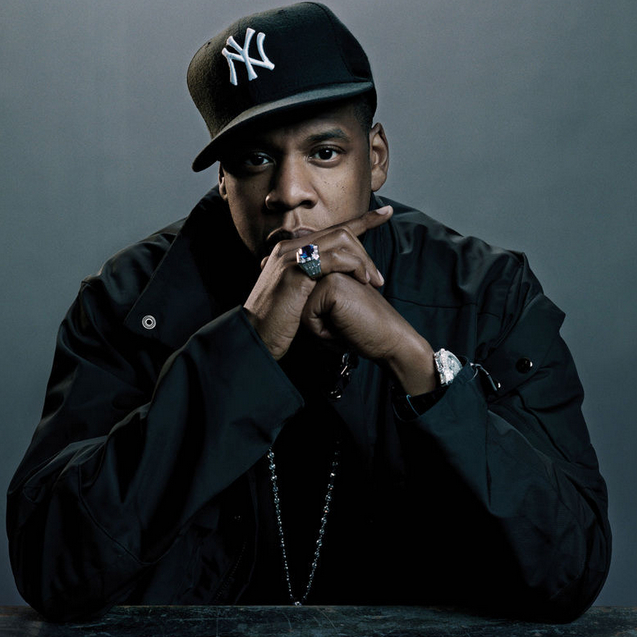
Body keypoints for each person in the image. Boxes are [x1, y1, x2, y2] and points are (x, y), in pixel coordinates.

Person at [7, 2, 610, 624]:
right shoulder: (128, 303)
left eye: (324, 152)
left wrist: (416, 363)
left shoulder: (487, 295)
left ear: (375, 156)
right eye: (254, 159)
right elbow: (52, 566)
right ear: (223, 180)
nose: (289, 192)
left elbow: (570, 571)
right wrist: (246, 349)